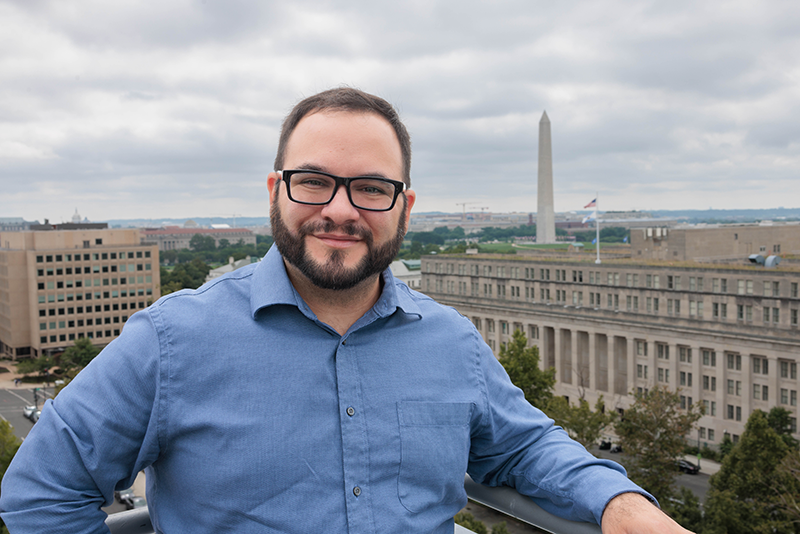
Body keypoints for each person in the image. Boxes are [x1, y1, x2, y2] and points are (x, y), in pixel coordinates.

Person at [0, 88, 692, 534]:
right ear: (276, 191)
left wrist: (621, 505)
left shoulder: (450, 341)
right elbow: (42, 495)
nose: (339, 209)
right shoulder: (172, 339)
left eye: (370, 188)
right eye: (314, 182)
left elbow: (522, 446)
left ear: (405, 208)